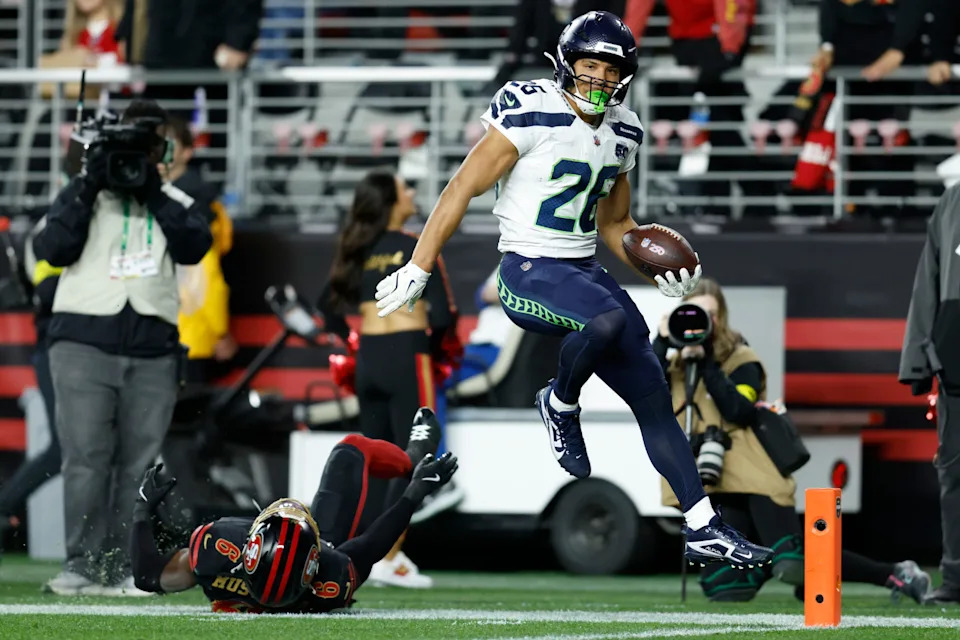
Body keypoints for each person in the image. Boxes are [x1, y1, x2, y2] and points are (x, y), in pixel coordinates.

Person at [374, 10, 772, 569]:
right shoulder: (529, 106)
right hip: (528, 270)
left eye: (612, 73)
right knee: (606, 322)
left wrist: (655, 265)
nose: (600, 82)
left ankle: (704, 525)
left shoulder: (624, 130)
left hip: (584, 271)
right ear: (565, 64)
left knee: (652, 395)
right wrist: (419, 264)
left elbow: (616, 224)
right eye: (590, 67)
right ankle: (560, 400)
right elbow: (462, 185)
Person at [656, 278, 931, 604]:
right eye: (693, 314)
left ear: (722, 318)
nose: (702, 323)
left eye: (711, 315)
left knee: (794, 560)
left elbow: (738, 410)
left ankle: (894, 573)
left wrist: (707, 363)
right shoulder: (673, 364)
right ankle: (775, 563)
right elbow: (643, 393)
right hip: (712, 475)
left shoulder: (741, 358)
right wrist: (660, 342)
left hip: (753, 471)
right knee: (724, 588)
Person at [32, 98, 212, 596]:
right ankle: (84, 563)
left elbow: (196, 244)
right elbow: (53, 249)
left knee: (139, 462)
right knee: (86, 456)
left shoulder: (174, 198)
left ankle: (129, 565)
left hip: (153, 348)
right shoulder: (82, 194)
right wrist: (90, 179)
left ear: (164, 150)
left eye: (147, 147)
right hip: (82, 342)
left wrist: (151, 186)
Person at [130, 408, 457, 612]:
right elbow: (370, 547)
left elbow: (147, 576)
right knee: (351, 449)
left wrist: (143, 508)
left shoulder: (218, 549)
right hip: (329, 550)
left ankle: (410, 464)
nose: (293, 507)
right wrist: (414, 493)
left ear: (249, 546)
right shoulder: (330, 578)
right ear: (312, 562)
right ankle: (411, 457)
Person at [320, 171, 462, 587]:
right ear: (391, 201)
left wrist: (350, 345)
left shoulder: (357, 247)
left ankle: (354, 549)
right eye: (406, 188)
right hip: (406, 354)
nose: (412, 193)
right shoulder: (418, 245)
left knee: (373, 459)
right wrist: (435, 352)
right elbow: (443, 315)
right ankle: (389, 556)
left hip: (367, 359)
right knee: (411, 457)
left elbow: (324, 304)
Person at [900, 183, 960, 605]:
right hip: (957, 365)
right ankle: (957, 580)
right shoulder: (953, 201)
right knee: (955, 474)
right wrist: (917, 362)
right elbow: (929, 279)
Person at [161, 117, 237, 384]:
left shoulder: (198, 203)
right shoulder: (155, 195)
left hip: (188, 333)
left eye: (169, 144)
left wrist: (218, 330)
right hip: (162, 333)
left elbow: (206, 274)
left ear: (187, 151)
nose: (161, 151)